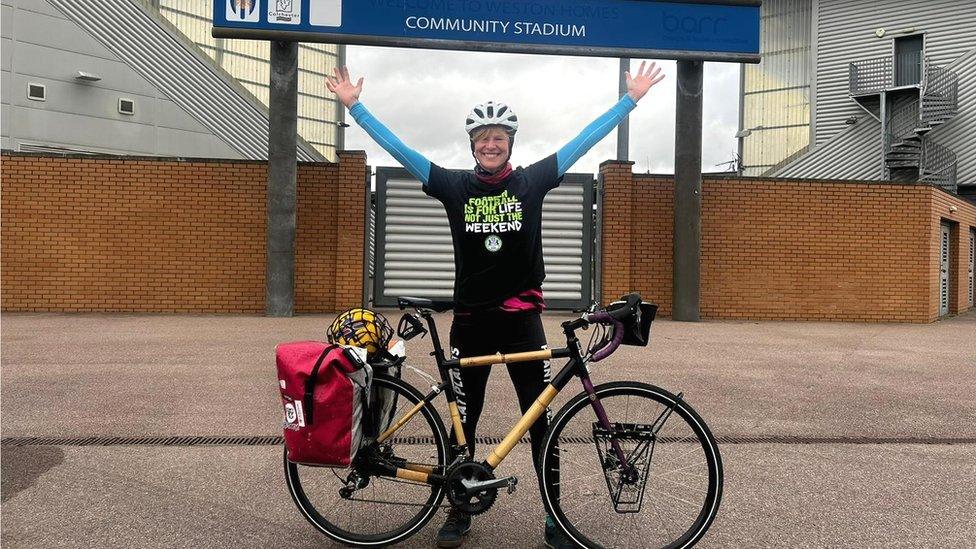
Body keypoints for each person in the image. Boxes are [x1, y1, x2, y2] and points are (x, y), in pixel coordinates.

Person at [327, 61, 665, 549]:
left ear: (510, 143)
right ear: (472, 145)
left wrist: (629, 100)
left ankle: (555, 519)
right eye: (483, 137)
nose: (491, 144)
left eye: (499, 137)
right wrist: (357, 110)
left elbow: (584, 140)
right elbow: (402, 151)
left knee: (540, 420)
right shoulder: (454, 186)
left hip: (523, 322)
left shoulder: (531, 181)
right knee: (464, 420)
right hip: (472, 323)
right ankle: (458, 511)